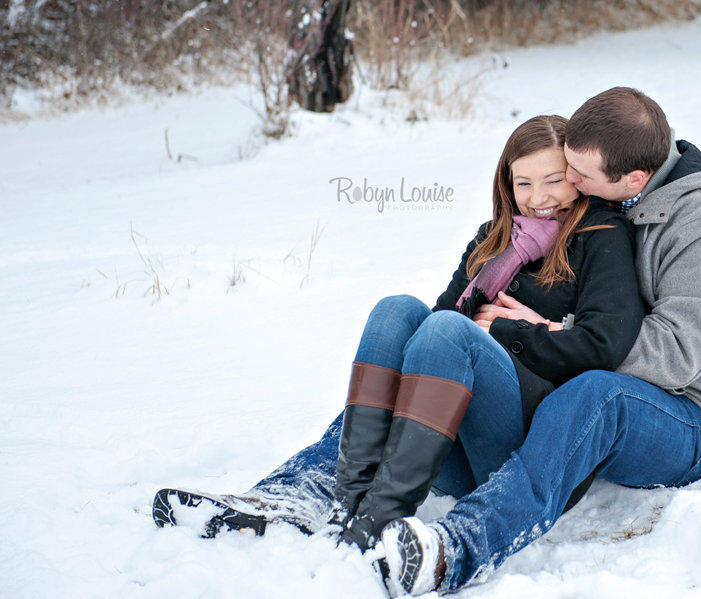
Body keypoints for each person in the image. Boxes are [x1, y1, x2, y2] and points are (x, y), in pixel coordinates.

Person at [151, 115, 645, 552]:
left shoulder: (598, 237)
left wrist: (515, 330)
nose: (538, 198)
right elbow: (431, 333)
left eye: (554, 180)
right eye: (523, 183)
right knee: (396, 312)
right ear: (506, 185)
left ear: (577, 180)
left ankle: (380, 514)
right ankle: (318, 495)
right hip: (449, 450)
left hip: (524, 452)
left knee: (449, 330)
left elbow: (606, 343)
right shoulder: (493, 241)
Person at [378, 87, 701, 597]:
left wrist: (559, 334)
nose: (569, 183)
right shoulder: (618, 193)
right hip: (602, 381)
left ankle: (458, 547)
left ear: (633, 180)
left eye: (576, 174)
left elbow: (676, 358)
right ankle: (313, 484)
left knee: (595, 394)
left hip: (687, 415)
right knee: (417, 337)